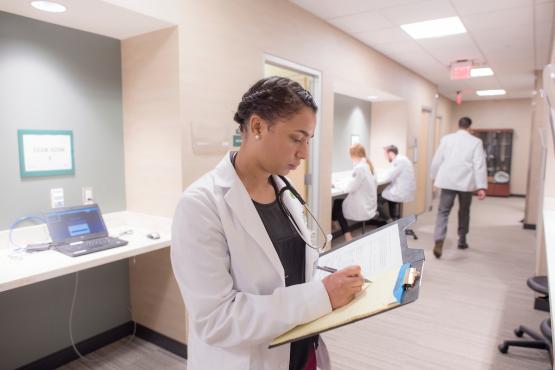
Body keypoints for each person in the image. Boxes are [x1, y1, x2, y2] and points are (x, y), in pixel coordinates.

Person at [171, 76, 365, 370]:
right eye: (296, 139)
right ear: (258, 126)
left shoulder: (284, 191)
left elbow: (294, 271)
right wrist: (322, 294)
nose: (304, 153)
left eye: (308, 141)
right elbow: (217, 319)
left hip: (303, 349)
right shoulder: (200, 205)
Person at [430, 116, 487, 259]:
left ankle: (439, 239)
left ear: (458, 125)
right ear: (469, 127)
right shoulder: (476, 142)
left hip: (447, 180)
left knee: (443, 212)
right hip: (465, 183)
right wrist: (481, 187)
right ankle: (462, 240)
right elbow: (479, 164)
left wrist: (434, 177)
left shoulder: (446, 139)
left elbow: (437, 160)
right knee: (464, 211)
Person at [331, 144, 378, 241]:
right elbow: (355, 182)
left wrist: (335, 185)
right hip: (369, 204)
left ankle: (347, 235)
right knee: (338, 203)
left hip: (362, 206)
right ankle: (333, 223)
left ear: (354, 154)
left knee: (337, 203)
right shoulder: (368, 166)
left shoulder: (360, 168)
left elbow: (350, 188)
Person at [379, 145, 416, 221]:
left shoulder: (399, 161)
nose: (385, 157)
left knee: (377, 201)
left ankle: (389, 220)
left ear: (390, 153)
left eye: (385, 155)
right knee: (389, 197)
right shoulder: (402, 159)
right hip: (403, 189)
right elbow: (393, 173)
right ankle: (394, 220)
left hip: (400, 191)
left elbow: (390, 176)